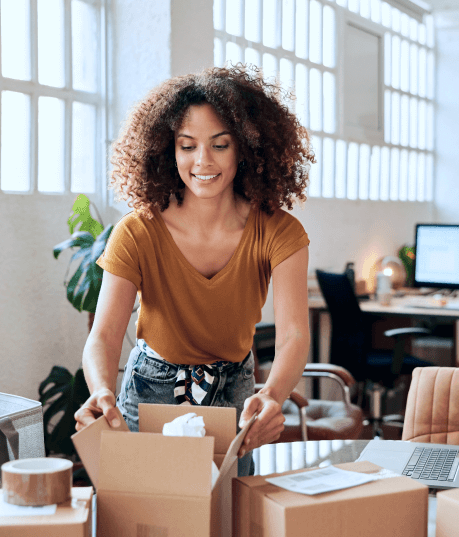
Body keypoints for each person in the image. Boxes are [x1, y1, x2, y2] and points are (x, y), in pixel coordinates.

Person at [74, 65, 314, 476]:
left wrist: (273, 393)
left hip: (235, 394)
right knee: (149, 516)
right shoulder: (137, 230)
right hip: (150, 391)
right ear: (168, 150)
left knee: (228, 517)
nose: (203, 161)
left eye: (220, 145)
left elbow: (294, 333)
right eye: (187, 146)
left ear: (246, 148)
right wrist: (101, 391)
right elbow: (106, 334)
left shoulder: (278, 231)